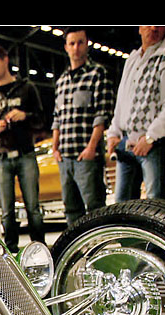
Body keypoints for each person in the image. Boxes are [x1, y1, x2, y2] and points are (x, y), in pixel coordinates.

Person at [105, 26, 165, 202]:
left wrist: (150, 137)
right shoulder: (132, 59)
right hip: (127, 142)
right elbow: (122, 100)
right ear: (139, 28)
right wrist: (114, 132)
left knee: (156, 204)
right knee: (122, 205)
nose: (154, 27)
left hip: (155, 144)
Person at [0, 44, 46, 249]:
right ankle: (11, 251)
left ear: (5, 61)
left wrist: (25, 116)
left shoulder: (27, 88)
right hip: (0, 157)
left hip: (25, 153)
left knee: (33, 207)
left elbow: (42, 119)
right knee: (7, 210)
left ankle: (40, 249)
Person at [52, 28, 115, 227]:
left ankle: (100, 244)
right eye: (72, 43)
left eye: (80, 42)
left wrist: (91, 148)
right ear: (66, 47)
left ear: (87, 44)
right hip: (65, 159)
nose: (76, 48)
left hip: (86, 157)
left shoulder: (98, 74)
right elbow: (57, 118)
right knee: (71, 209)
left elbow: (102, 115)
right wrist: (55, 148)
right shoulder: (61, 81)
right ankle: (76, 246)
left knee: (95, 208)